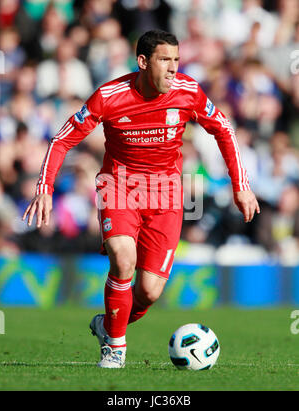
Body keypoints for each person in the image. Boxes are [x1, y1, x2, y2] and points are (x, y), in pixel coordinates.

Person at [22, 30, 260, 368]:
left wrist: (241, 184)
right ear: (143, 62)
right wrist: (44, 187)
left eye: (176, 60)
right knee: (123, 258)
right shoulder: (109, 96)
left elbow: (224, 128)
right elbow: (61, 140)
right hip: (119, 187)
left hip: (167, 194)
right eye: (165, 60)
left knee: (149, 291)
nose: (173, 68)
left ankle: (107, 325)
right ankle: (115, 348)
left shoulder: (188, 92)